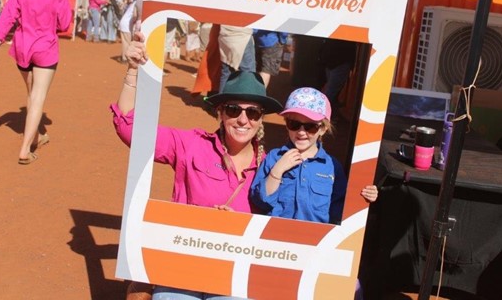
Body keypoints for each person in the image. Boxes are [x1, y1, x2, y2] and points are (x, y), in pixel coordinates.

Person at [112, 33, 283, 299]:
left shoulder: (272, 167)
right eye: (233, 110)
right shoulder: (191, 144)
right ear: (220, 113)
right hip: (182, 266)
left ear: (261, 120)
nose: (243, 119)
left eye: (253, 112)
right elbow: (131, 130)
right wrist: (133, 71)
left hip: (233, 273)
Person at [0, 0, 72, 165]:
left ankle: (37, 136)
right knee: (37, 98)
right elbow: (64, 24)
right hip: (45, 48)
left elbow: (8, 15)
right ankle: (25, 149)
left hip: (22, 48)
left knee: (31, 94)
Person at [250, 87, 378, 224]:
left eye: (310, 127)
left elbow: (341, 209)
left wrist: (365, 195)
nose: (301, 132)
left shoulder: (332, 167)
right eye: (294, 124)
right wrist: (277, 171)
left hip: (315, 241)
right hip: (273, 237)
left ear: (323, 129)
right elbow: (260, 202)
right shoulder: (274, 157)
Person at [218, 25, 256, 92]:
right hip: (241, 35)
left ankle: (222, 101)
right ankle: (247, 100)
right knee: (248, 73)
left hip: (225, 35)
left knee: (226, 73)